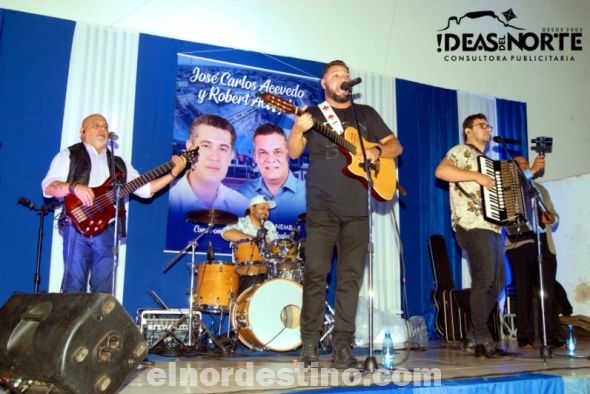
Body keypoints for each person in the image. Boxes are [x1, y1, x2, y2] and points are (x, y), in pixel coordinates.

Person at [288, 60, 403, 368]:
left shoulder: (365, 115)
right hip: (322, 208)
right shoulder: (312, 115)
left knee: (350, 280)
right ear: (324, 83)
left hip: (357, 209)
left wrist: (376, 151)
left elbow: (395, 146)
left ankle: (343, 348)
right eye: (335, 75)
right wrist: (299, 131)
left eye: (345, 75)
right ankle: (309, 344)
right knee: (316, 275)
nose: (342, 78)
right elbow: (294, 151)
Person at [42, 113, 186, 293]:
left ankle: (100, 322)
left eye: (105, 126)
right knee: (74, 286)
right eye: (96, 125)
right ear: (83, 132)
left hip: (107, 230)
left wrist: (174, 173)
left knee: (104, 291)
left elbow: (147, 189)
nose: (102, 129)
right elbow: (48, 188)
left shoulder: (119, 163)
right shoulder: (69, 155)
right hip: (76, 226)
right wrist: (74, 187)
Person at [434, 113, 506, 358]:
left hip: (493, 227)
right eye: (481, 125)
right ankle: (483, 338)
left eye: (488, 125)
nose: (487, 129)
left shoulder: (488, 160)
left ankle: (473, 335)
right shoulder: (461, 151)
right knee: (483, 279)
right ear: (468, 130)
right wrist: (477, 176)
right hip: (471, 224)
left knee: (498, 282)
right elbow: (442, 171)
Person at [166, 114, 249, 251]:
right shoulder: (169, 200)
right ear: (189, 148)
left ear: (231, 156)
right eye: (206, 146)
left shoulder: (241, 205)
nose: (214, 157)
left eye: (222, 148)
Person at [505, 155, 563, 348]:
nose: (523, 166)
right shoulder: (509, 189)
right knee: (523, 290)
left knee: (548, 291)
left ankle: (551, 335)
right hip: (520, 245)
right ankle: (525, 336)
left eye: (524, 163)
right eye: (519, 164)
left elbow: (554, 214)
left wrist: (551, 219)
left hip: (543, 242)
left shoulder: (541, 189)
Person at [239, 123, 306, 225]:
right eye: (263, 152)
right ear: (255, 156)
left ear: (287, 154)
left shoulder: (310, 195)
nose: (270, 159)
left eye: (277, 152)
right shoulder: (242, 194)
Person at [221, 195, 279, 293]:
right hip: (245, 271)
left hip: (268, 271)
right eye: (262, 208)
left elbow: (276, 249)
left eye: (268, 210)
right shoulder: (240, 222)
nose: (266, 212)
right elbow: (226, 233)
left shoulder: (270, 226)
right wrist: (256, 239)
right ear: (251, 209)